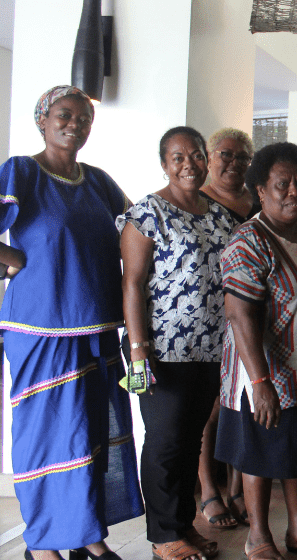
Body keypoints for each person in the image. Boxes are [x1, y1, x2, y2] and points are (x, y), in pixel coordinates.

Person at [1, 85, 143, 560]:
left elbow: (139, 230)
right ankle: (43, 544)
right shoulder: (21, 171)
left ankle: (86, 535)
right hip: (41, 330)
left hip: (98, 327)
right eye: (64, 115)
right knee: (48, 435)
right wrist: (12, 258)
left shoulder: (99, 181)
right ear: (42, 120)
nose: (75, 124)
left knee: (91, 436)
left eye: (84, 118)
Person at [216, 142, 297, 560]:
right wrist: (260, 383)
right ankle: (258, 536)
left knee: (296, 453)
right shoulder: (249, 241)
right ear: (260, 190)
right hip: (267, 374)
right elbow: (239, 316)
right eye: (281, 184)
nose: (294, 191)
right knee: (259, 456)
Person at [119, 126, 238, 560]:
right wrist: (138, 348)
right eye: (177, 157)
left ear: (206, 159)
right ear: (164, 163)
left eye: (195, 155)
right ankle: (163, 536)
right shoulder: (148, 212)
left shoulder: (219, 214)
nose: (188, 164)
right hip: (160, 350)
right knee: (166, 441)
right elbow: (132, 285)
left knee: (191, 441)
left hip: (210, 348)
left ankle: (183, 528)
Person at [197, 126, 258, 529]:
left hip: (250, 314)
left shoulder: (257, 201)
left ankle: (238, 485)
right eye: (225, 154)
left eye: (241, 157)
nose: (233, 162)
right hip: (205, 317)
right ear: (208, 157)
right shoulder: (194, 199)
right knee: (209, 408)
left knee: (243, 404)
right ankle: (208, 488)